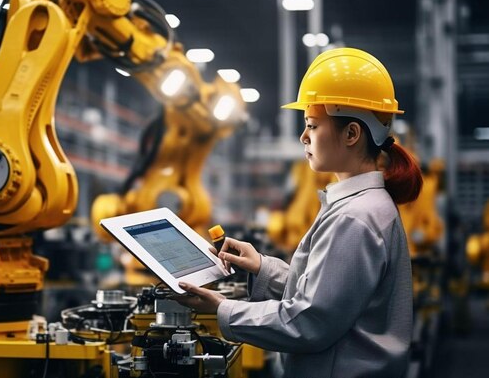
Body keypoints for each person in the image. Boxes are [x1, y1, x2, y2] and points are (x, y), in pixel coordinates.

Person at [175, 47, 423, 377]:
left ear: (351, 133)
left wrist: (223, 309)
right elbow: (326, 297)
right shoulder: (360, 207)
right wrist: (262, 267)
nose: (303, 136)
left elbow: (310, 322)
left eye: (312, 125)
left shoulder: (355, 218)